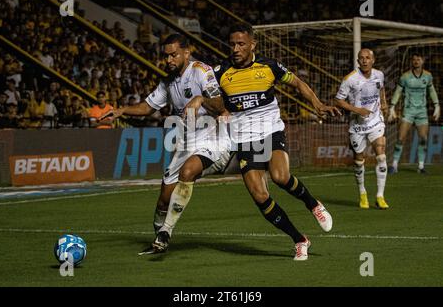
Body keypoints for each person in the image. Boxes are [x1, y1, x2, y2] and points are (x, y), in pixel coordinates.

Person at [214, 23, 339, 261]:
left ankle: (313, 204)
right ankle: (300, 240)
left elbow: (298, 84)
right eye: (232, 44)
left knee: (281, 177)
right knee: (260, 196)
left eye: (241, 44)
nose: (236, 49)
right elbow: (209, 96)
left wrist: (318, 104)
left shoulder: (269, 66)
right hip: (244, 138)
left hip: (270, 130)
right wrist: (212, 107)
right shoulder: (220, 72)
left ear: (253, 44)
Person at [102, 34, 231, 254]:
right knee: (163, 200)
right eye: (166, 56)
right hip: (186, 143)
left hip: (213, 138)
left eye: (174, 55)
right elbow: (147, 107)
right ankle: (158, 241)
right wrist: (122, 110)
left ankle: (166, 232)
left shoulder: (201, 71)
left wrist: (200, 99)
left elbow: (219, 105)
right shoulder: (168, 82)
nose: (169, 60)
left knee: (188, 172)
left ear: (186, 53)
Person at [335, 48, 389, 210]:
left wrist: (384, 102)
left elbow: (382, 89)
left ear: (373, 60)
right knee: (359, 160)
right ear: (358, 61)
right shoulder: (350, 79)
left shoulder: (379, 75)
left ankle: (380, 196)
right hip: (357, 125)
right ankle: (362, 192)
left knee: (381, 155)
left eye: (367, 58)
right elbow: (338, 100)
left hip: (375, 121)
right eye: (361, 58)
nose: (364, 60)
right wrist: (358, 110)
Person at [388, 53, 440, 174]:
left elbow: (431, 90)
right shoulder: (405, 77)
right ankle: (394, 165)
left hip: (422, 112)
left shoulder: (428, 76)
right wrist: (392, 107)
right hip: (408, 111)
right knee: (401, 138)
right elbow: (398, 92)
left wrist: (437, 105)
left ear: (423, 61)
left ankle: (421, 166)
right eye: (414, 59)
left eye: (419, 59)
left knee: (423, 138)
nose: (416, 61)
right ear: (412, 62)